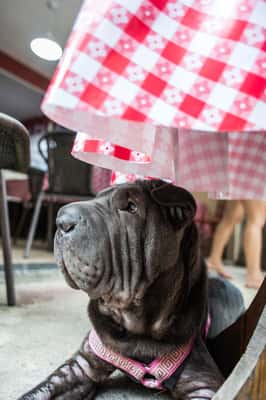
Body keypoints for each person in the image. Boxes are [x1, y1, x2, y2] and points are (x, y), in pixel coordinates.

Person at [206, 200, 266, 289]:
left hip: (238, 185)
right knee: (256, 219)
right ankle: (253, 274)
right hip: (254, 185)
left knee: (231, 217)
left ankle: (214, 259)